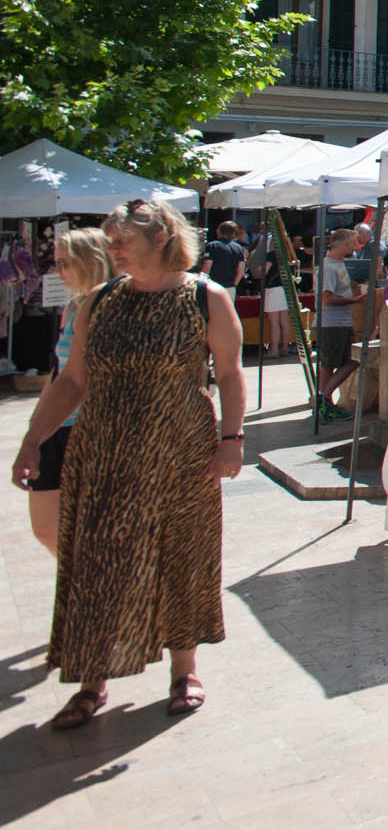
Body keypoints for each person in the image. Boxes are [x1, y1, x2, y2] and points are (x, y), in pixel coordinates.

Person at [11, 199, 245, 729]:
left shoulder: (205, 298)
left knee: (179, 553)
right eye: (110, 239)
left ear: (161, 236)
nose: (111, 248)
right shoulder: (98, 301)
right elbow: (71, 382)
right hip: (103, 451)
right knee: (97, 561)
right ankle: (93, 677)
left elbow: (229, 374)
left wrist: (231, 440)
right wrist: (32, 441)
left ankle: (184, 670)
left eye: (121, 239)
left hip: (180, 451)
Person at [20, 228, 112, 556]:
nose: (57, 271)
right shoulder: (74, 306)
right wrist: (36, 427)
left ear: (91, 261)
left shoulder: (106, 306)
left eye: (64, 263)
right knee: (46, 529)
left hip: (86, 430)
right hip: (56, 427)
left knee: (78, 534)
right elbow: (59, 374)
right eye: (55, 263)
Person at [315, 227, 365, 420]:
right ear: (344, 244)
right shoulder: (328, 267)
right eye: (353, 242)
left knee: (328, 364)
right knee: (351, 361)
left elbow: (338, 289)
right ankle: (324, 397)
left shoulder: (337, 264)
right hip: (332, 323)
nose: (356, 246)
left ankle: (326, 406)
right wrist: (355, 300)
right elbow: (326, 299)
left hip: (337, 322)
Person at [260, 238, 292, 356]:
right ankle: (284, 348)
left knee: (274, 322)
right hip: (286, 288)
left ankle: (274, 350)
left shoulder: (272, 255)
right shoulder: (289, 255)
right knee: (284, 321)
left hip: (273, 289)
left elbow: (265, 270)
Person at [200, 221, 245, 292]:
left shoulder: (212, 246)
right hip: (230, 287)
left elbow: (207, 268)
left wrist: (201, 284)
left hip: (213, 287)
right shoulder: (239, 248)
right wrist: (234, 285)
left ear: (219, 231)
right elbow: (241, 271)